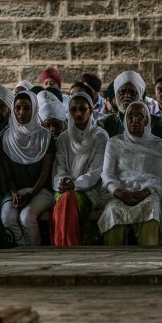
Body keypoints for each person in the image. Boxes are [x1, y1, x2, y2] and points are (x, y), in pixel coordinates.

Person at [99, 101, 162, 246]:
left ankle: (148, 260)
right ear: (125, 120)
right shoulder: (114, 143)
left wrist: (143, 193)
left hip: (148, 193)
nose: (134, 120)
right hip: (119, 192)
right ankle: (113, 261)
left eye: (139, 116)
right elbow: (107, 175)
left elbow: (161, 179)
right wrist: (119, 193)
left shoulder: (158, 145)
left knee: (152, 210)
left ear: (147, 120)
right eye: (130, 116)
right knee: (113, 210)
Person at [50, 92, 109, 246]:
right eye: (74, 109)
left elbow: (96, 171)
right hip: (65, 189)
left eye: (83, 109)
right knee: (66, 198)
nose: (78, 113)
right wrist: (63, 183)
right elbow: (59, 167)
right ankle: (69, 245)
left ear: (91, 110)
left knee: (68, 199)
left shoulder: (100, 136)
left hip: (90, 190)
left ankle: (63, 246)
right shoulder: (64, 138)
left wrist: (75, 185)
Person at [0, 91, 55, 246]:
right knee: (8, 218)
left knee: (27, 217)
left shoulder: (45, 137)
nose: (21, 112)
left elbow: (44, 174)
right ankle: (21, 250)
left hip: (41, 190)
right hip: (15, 191)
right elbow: (8, 175)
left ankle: (33, 252)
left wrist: (30, 194)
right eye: (17, 108)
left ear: (34, 109)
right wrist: (15, 193)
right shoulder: (5, 138)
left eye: (27, 108)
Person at [98, 71, 162, 137]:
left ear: (141, 98)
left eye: (132, 92)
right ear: (115, 96)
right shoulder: (104, 124)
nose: (127, 95)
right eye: (122, 92)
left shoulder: (155, 123)